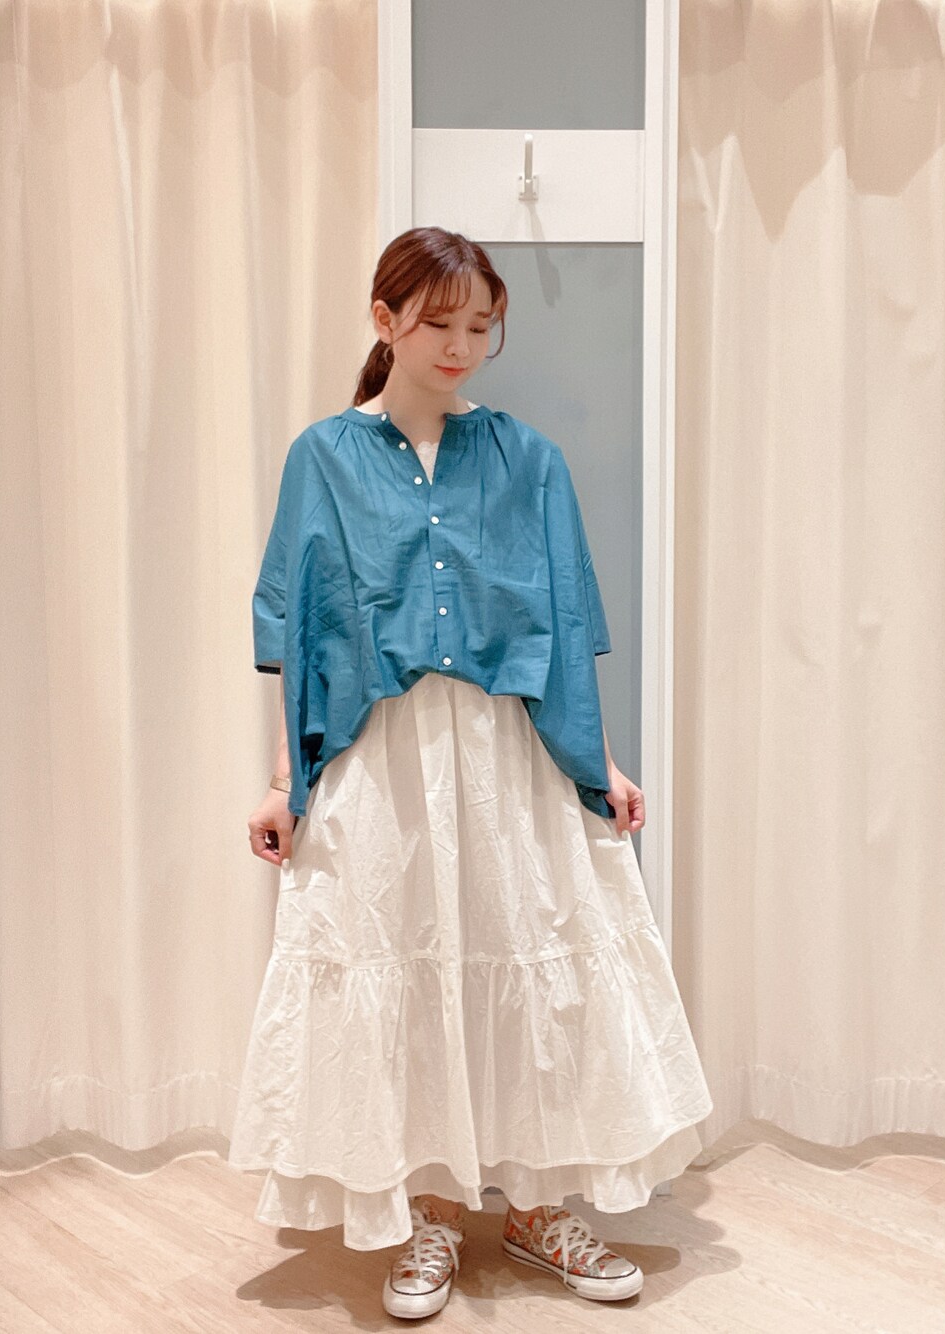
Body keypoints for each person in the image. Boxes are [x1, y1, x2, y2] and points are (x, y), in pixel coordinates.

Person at [228, 226, 713, 1318]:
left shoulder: (529, 459)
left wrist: (601, 762)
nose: (460, 345)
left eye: (480, 325)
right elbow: (299, 631)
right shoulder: (323, 458)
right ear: (385, 318)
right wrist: (284, 783)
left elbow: (566, 622)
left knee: (527, 963)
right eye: (438, 322)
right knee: (411, 970)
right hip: (384, 758)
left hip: (509, 757)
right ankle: (433, 1213)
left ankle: (538, 1208)